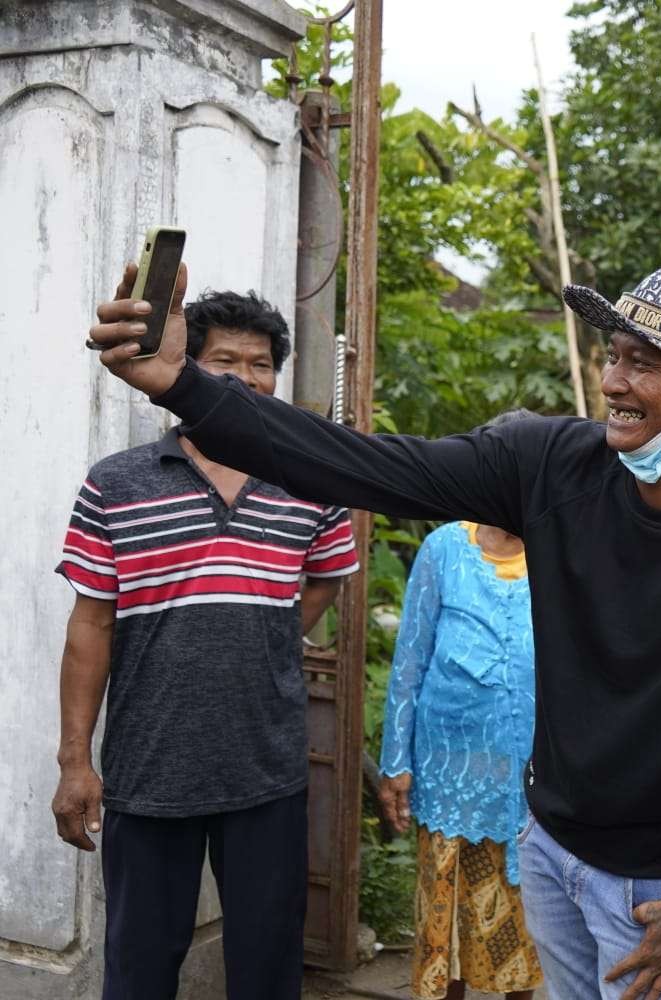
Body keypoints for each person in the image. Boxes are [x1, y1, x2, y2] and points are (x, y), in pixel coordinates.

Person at [85, 260, 661, 1000]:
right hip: (547, 841)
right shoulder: (554, 463)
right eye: (613, 355)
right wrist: (183, 385)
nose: (612, 382)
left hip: (651, 883)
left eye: (644, 365)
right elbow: (359, 464)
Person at [52, 288, 359, 999]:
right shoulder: (116, 484)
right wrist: (75, 761)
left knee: (267, 969)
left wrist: (258, 633)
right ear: (185, 366)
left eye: (261, 364)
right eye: (225, 359)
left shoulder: (308, 481)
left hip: (267, 773)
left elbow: (322, 582)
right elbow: (90, 626)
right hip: (150, 770)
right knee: (138, 967)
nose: (245, 377)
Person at [376, 412, 546, 1000]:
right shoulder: (444, 549)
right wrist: (395, 764)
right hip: (446, 775)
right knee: (443, 925)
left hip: (529, 782)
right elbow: (410, 664)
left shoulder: (562, 556)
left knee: (521, 931)